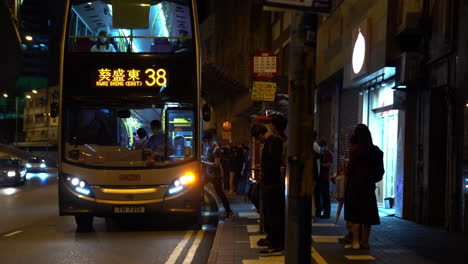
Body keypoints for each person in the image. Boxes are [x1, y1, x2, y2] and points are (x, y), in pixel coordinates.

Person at [344, 124, 384, 250]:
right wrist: (372, 179)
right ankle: (365, 242)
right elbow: (380, 171)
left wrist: (346, 170)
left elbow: (350, 170)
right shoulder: (376, 151)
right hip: (368, 186)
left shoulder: (355, 150)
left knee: (355, 213)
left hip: (355, 185)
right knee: (367, 214)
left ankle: (355, 241)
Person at [251, 124, 284, 257]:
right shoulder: (273, 142)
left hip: (272, 184)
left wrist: (264, 170)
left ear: (259, 134)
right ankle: (272, 240)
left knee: (273, 215)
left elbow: (273, 163)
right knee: (269, 213)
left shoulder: (272, 142)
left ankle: (275, 245)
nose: (258, 141)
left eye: (257, 138)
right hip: (271, 183)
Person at [201, 131, 233, 218]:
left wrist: (204, 162)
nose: (205, 143)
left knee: (220, 193)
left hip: (216, 176)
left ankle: (229, 211)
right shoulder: (208, 148)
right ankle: (200, 205)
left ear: (209, 140)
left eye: (206, 141)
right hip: (208, 174)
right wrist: (203, 158)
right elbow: (207, 158)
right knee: (198, 186)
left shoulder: (216, 150)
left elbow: (216, 164)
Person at [315, 139, 333, 219]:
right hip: (319, 177)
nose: (321, 147)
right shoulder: (319, 153)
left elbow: (328, 165)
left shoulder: (328, 153)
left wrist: (320, 165)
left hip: (325, 177)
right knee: (318, 195)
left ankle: (327, 213)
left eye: (322, 146)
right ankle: (318, 212)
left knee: (326, 196)